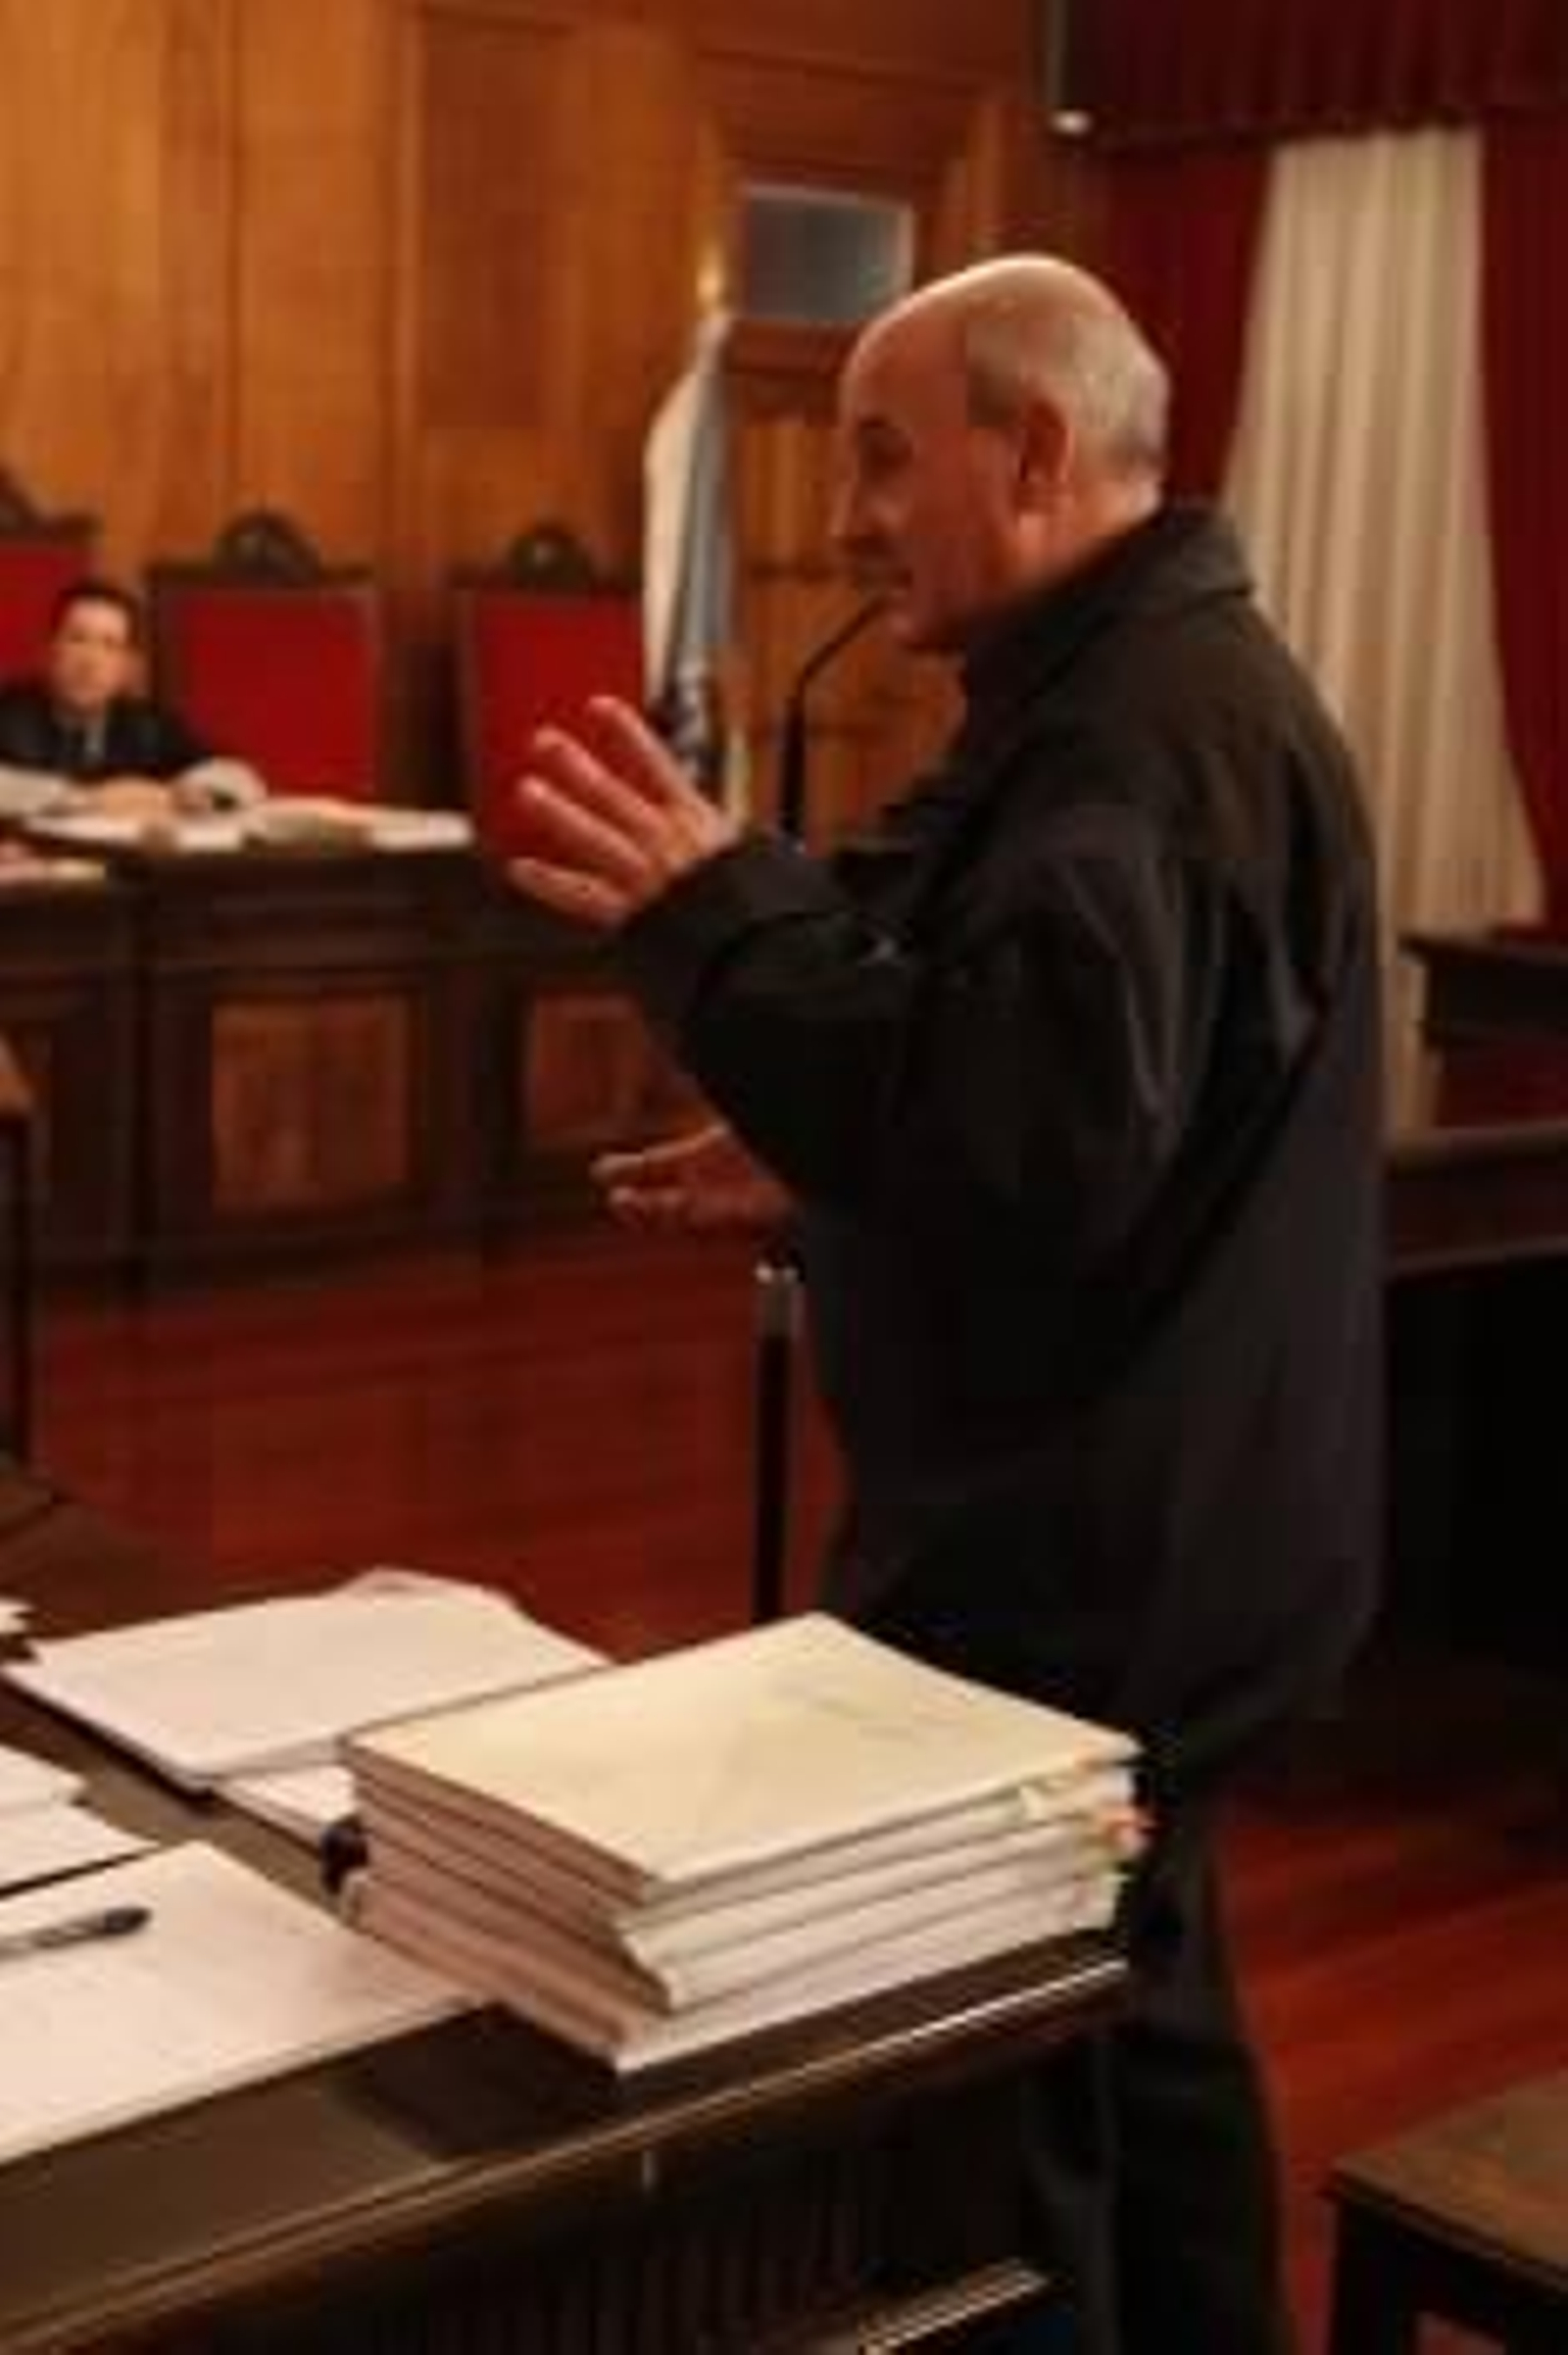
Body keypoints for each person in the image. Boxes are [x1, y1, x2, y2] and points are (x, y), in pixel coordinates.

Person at [508, 255, 1383, 2354]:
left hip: (1088, 1570)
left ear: (1037, 448)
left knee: (1008, 2091)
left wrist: (718, 924)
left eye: (883, 460)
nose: (843, 521)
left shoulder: (1141, 746)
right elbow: (993, 1044)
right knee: (1139, 2020)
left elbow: (1018, 1155)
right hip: (1180, 1523)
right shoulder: (1120, 694)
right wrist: (822, 1152)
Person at [0, 577, 265, 824]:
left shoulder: (147, 724)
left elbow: (243, 777)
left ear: (127, 668)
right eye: (77, 639)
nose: (90, 661)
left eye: (110, 645)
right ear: (49, 649)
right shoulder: (11, 712)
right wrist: (85, 799)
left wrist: (188, 793)